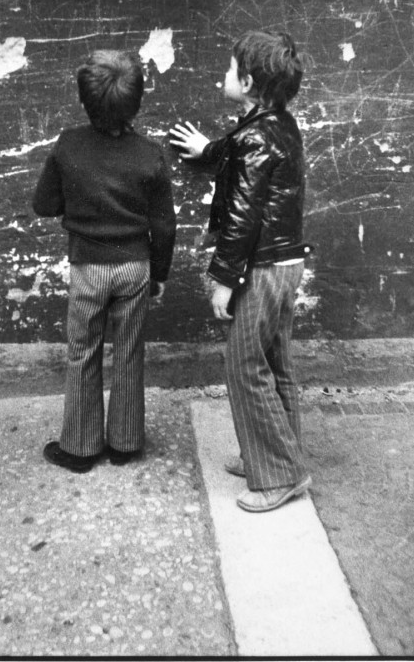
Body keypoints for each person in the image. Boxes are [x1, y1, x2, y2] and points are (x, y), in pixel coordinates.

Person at [170, 30, 313, 512]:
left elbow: (241, 217)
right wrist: (209, 150)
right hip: (285, 263)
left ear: (248, 81)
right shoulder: (275, 124)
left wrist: (224, 281)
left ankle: (281, 473)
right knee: (273, 363)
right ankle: (276, 453)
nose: (223, 75)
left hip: (263, 267)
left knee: (243, 365)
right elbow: (239, 154)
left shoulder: (255, 135)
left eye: (230, 70)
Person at [33, 49, 176, 473]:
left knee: (83, 350)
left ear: (84, 100)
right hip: (135, 266)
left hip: (88, 267)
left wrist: (78, 202)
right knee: (130, 350)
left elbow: (44, 204)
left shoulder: (68, 146)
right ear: (137, 102)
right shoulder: (150, 154)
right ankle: (125, 443)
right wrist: (160, 273)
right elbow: (164, 225)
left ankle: (79, 447)